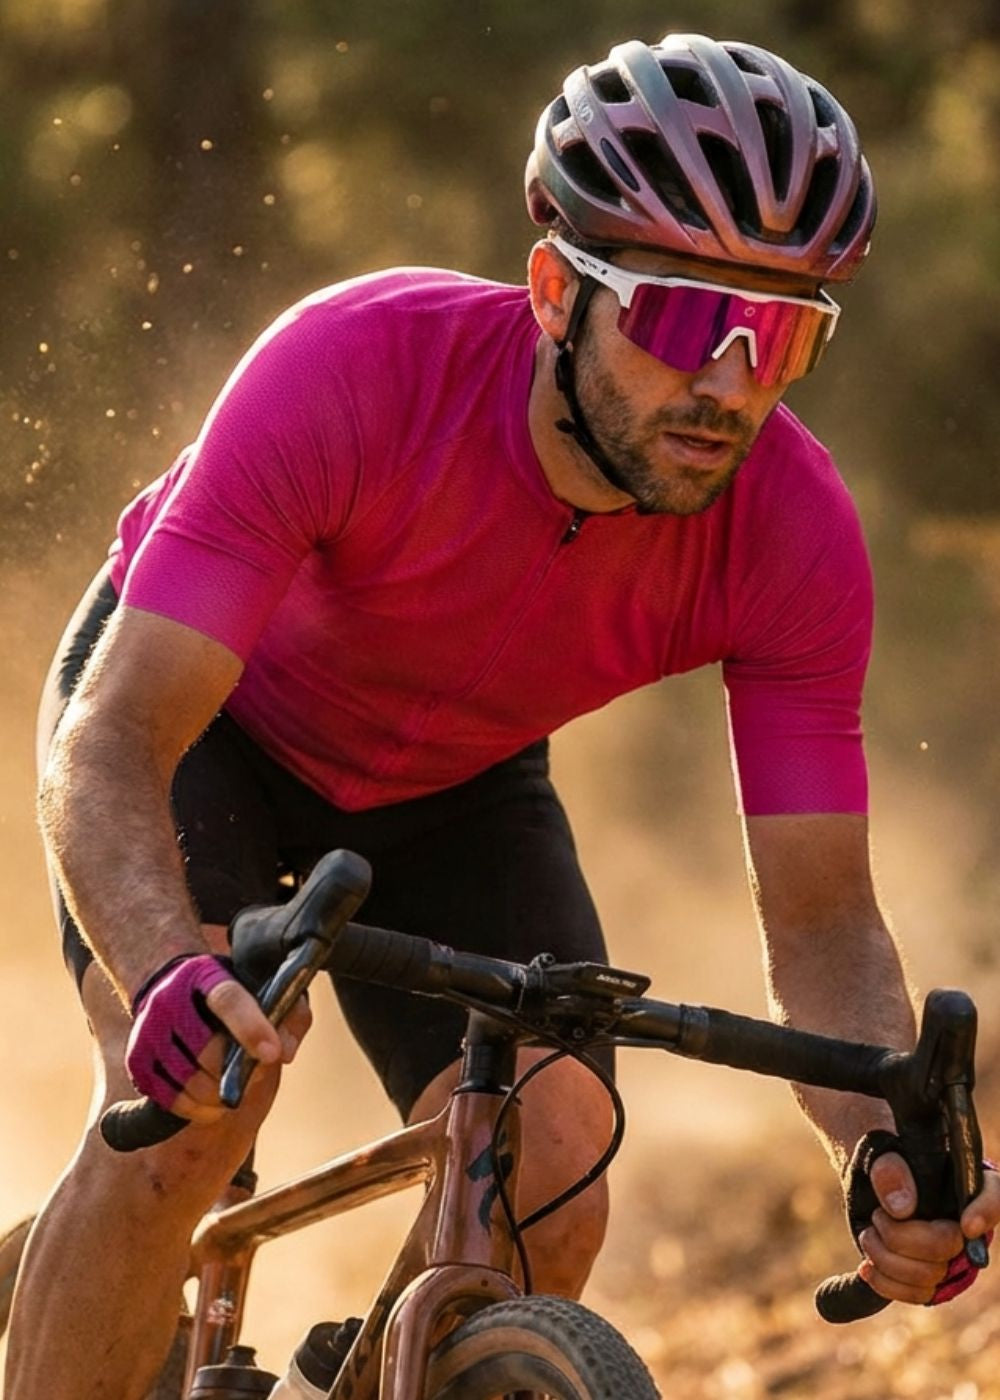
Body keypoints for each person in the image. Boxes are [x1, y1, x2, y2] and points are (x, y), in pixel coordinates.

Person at [9, 30, 999, 1399]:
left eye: (781, 338)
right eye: (672, 319)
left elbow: (824, 917)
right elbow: (111, 741)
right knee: (187, 1116)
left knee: (559, 1153)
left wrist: (877, 1147)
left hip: (453, 782)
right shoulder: (352, 368)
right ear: (554, 289)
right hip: (200, 732)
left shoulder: (795, 532)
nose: (726, 384)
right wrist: (165, 966)